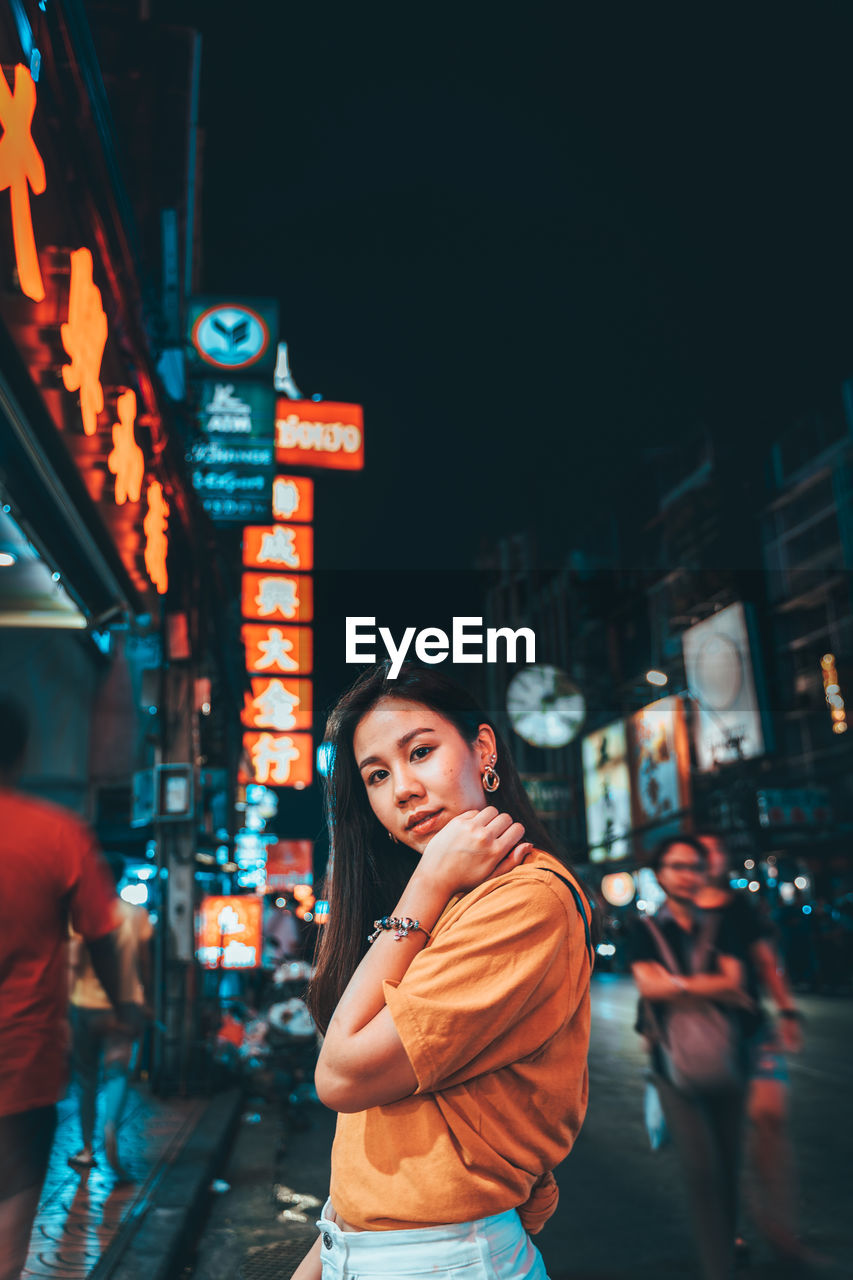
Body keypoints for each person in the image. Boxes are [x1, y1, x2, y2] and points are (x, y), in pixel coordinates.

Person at [292, 662, 595, 1280]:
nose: (401, 788)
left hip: (445, 1260)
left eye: (421, 751)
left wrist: (426, 884)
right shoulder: (453, 902)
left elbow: (342, 1077)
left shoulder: (524, 900)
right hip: (365, 1248)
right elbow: (372, 1136)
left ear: (483, 749)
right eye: (377, 775)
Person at [0, 698, 127, 1280]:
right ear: (22, 751)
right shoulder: (56, 834)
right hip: (20, 1066)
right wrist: (125, 1006)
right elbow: (101, 939)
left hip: (28, 1063)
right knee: (11, 1221)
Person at [628, 835, 753, 1280]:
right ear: (660, 875)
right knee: (702, 1170)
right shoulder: (645, 929)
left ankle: (729, 1234)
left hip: (727, 1057)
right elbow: (649, 987)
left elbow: (737, 983)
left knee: (729, 1162)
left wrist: (676, 985)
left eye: (694, 867)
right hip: (671, 1066)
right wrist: (707, 984)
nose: (687, 875)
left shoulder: (723, 924)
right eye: (676, 866)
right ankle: (718, 1265)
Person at [694, 834, 814, 1270]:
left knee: (770, 1123)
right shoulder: (677, 914)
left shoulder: (739, 909)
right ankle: (731, 1230)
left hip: (752, 1033)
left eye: (715, 852)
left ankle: (781, 1230)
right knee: (723, 1142)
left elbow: (766, 961)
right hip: (704, 1043)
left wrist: (787, 1010)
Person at [68, 859, 154, 1176]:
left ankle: (88, 1149)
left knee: (86, 1079)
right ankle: (110, 1130)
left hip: (85, 1006)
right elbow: (145, 964)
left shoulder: (81, 915)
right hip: (126, 1006)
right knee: (117, 1074)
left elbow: (72, 963)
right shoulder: (136, 915)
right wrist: (147, 1000)